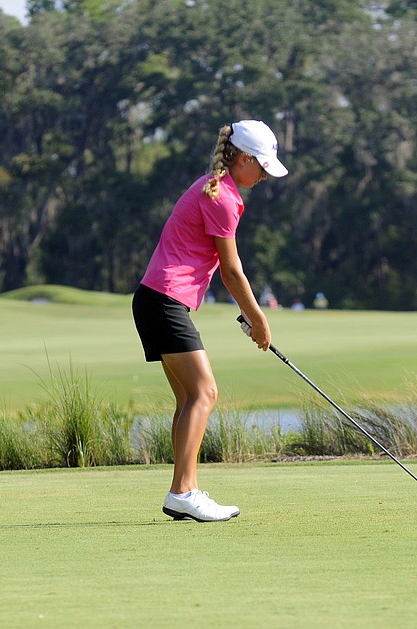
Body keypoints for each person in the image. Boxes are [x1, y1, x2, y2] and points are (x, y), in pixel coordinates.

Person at [132, 120, 288, 522]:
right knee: (205, 394)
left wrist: (252, 316)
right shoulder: (222, 198)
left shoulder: (214, 187)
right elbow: (232, 271)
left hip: (155, 300)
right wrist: (260, 321)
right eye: (262, 167)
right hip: (164, 301)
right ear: (243, 158)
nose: (265, 177)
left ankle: (186, 490)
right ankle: (182, 491)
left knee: (189, 399)